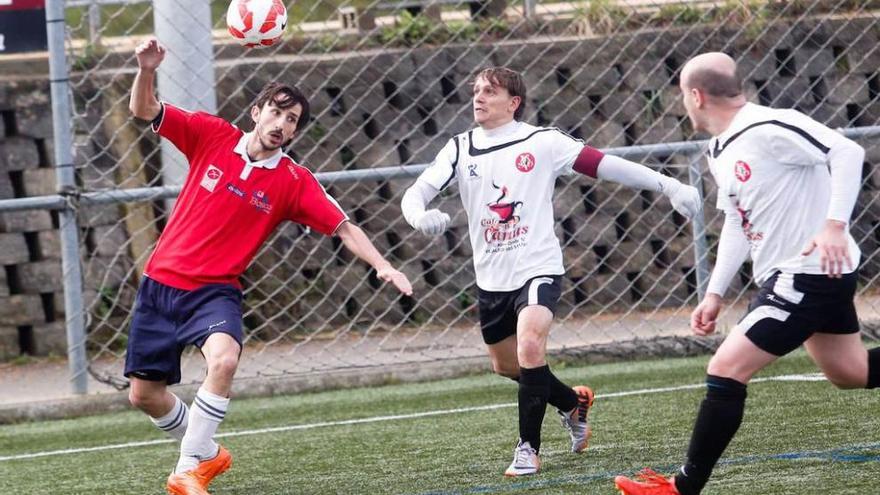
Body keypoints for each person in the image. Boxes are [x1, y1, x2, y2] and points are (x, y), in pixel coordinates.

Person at [125, 38, 413, 495]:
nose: (282, 124)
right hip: (160, 284)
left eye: (292, 120)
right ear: (257, 111)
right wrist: (146, 70)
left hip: (214, 291)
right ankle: (207, 453)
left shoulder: (293, 181)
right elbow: (145, 111)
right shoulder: (210, 134)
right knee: (143, 395)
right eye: (276, 113)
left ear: (296, 132)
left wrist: (383, 265)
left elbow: (342, 227)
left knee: (224, 359)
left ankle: (186, 470)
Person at [401, 67, 701, 477]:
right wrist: (419, 216)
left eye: (490, 91)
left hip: (537, 267)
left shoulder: (542, 142)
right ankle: (570, 403)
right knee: (508, 367)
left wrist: (669, 185)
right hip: (491, 278)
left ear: (513, 102)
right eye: (475, 91)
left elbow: (605, 163)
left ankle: (527, 449)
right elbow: (416, 192)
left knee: (530, 347)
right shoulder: (459, 147)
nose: (478, 97)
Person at [614, 52, 877, 495]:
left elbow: (847, 150)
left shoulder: (770, 126)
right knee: (849, 371)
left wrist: (834, 225)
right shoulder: (718, 148)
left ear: (695, 95)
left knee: (726, 368)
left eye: (682, 96)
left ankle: (683, 487)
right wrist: (715, 293)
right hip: (793, 276)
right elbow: (737, 221)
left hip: (808, 273)